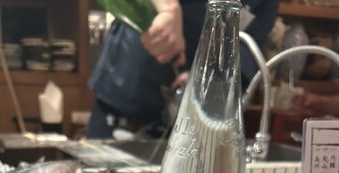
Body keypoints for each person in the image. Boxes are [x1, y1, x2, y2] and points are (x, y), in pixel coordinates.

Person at [86, 0, 279, 138]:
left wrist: (208, 81)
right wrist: (168, 8)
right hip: (125, 94)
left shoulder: (264, 4)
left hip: (191, 122)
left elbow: (243, 58)